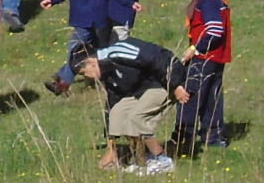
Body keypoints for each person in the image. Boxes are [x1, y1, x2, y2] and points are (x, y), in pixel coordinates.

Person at [71, 38, 190, 175]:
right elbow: (112, 102)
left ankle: (162, 160)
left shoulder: (119, 52)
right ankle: (141, 161)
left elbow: (158, 59)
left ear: (91, 62)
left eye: (83, 73)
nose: (86, 77)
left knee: (136, 117)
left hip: (164, 82)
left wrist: (176, 85)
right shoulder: (105, 72)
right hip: (142, 89)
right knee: (117, 113)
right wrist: (111, 149)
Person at [172, 0, 234, 153]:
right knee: (211, 99)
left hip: (203, 58)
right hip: (217, 57)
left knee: (189, 97)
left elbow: (215, 30)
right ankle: (213, 137)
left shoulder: (207, 0)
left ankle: (183, 139)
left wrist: (195, 48)